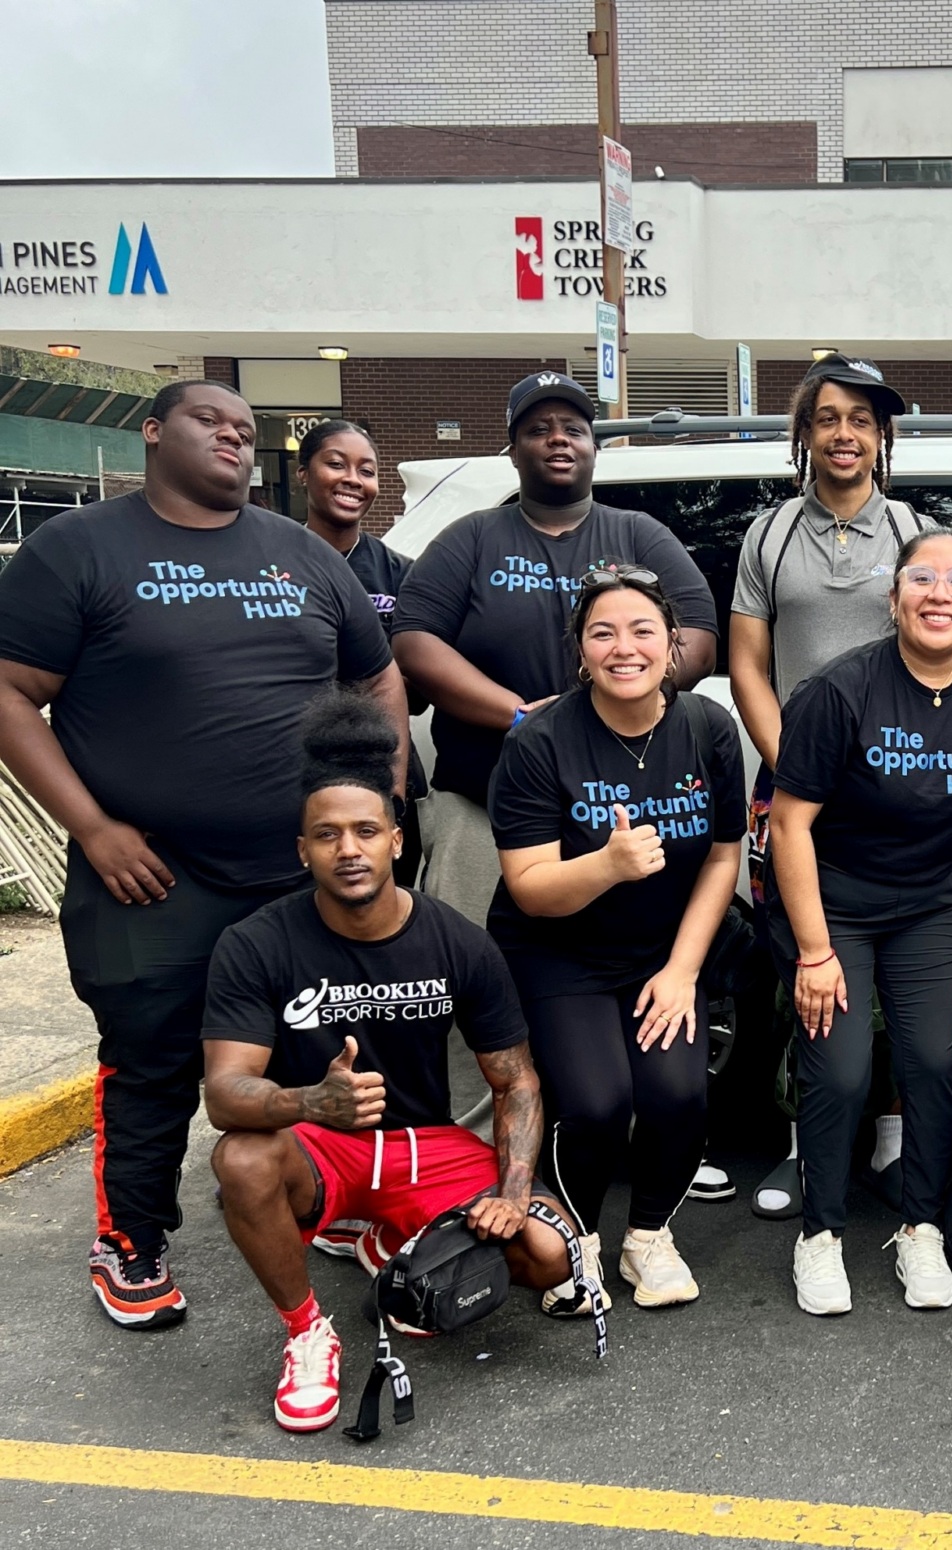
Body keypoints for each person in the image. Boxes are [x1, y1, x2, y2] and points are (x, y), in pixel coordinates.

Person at [0, 380, 406, 1330]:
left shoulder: (297, 553)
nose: (231, 436)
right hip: (149, 874)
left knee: (323, 1046)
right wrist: (92, 826)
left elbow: (377, 672)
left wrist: (379, 801)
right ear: (152, 433)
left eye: (244, 429)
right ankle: (131, 1238)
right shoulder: (78, 549)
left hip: (295, 869)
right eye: (207, 421)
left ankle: (328, 1202)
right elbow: (11, 691)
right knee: (149, 1057)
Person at [202, 691, 575, 1432]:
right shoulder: (255, 943)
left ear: (397, 840)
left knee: (549, 1255)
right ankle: (308, 1332)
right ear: (301, 848)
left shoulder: (457, 941)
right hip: (320, 1149)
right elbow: (225, 1094)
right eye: (327, 835)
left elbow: (517, 1081)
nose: (349, 849)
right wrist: (311, 1102)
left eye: (366, 831)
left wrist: (512, 1187)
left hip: (422, 1147)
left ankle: (389, 1238)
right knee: (242, 1161)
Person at [767, 526, 952, 1315]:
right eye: (921, 578)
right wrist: (815, 952)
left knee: (934, 1064)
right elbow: (789, 823)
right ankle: (821, 1237)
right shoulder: (840, 691)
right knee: (841, 1070)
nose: (938, 595)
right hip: (833, 904)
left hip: (931, 908)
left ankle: (922, 1229)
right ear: (894, 598)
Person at [487, 564, 745, 1314]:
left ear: (673, 647)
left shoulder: (706, 728)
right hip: (557, 951)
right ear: (580, 651)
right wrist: (607, 864)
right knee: (597, 1103)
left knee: (677, 1093)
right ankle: (576, 1241)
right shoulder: (541, 741)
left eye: (642, 631)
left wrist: (683, 970)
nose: (623, 648)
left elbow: (725, 854)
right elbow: (531, 887)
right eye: (603, 632)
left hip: (663, 952)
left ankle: (647, 1235)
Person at [391, 370, 716, 930]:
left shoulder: (640, 535)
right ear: (514, 452)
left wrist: (601, 710)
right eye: (539, 429)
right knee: (475, 967)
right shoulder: (471, 537)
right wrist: (518, 715)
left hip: (619, 806)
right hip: (479, 804)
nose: (558, 439)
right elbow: (414, 639)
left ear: (594, 448)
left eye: (574, 429)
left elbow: (700, 641)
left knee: (605, 963)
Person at [730, 354, 929, 1218]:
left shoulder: (914, 530)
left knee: (893, 971)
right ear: (803, 433)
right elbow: (746, 664)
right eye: (828, 417)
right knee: (799, 969)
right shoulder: (768, 536)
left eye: (861, 419)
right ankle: (809, 1146)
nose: (844, 434)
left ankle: (886, 1138)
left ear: (882, 437)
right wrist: (803, 774)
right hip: (797, 796)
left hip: (900, 792)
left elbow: (950, 640)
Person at [295, 418, 431, 890]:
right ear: (303, 473)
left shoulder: (403, 574)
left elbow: (417, 689)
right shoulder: (271, 564)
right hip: (293, 767)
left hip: (384, 770)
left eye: (367, 470)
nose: (354, 479)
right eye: (336, 464)